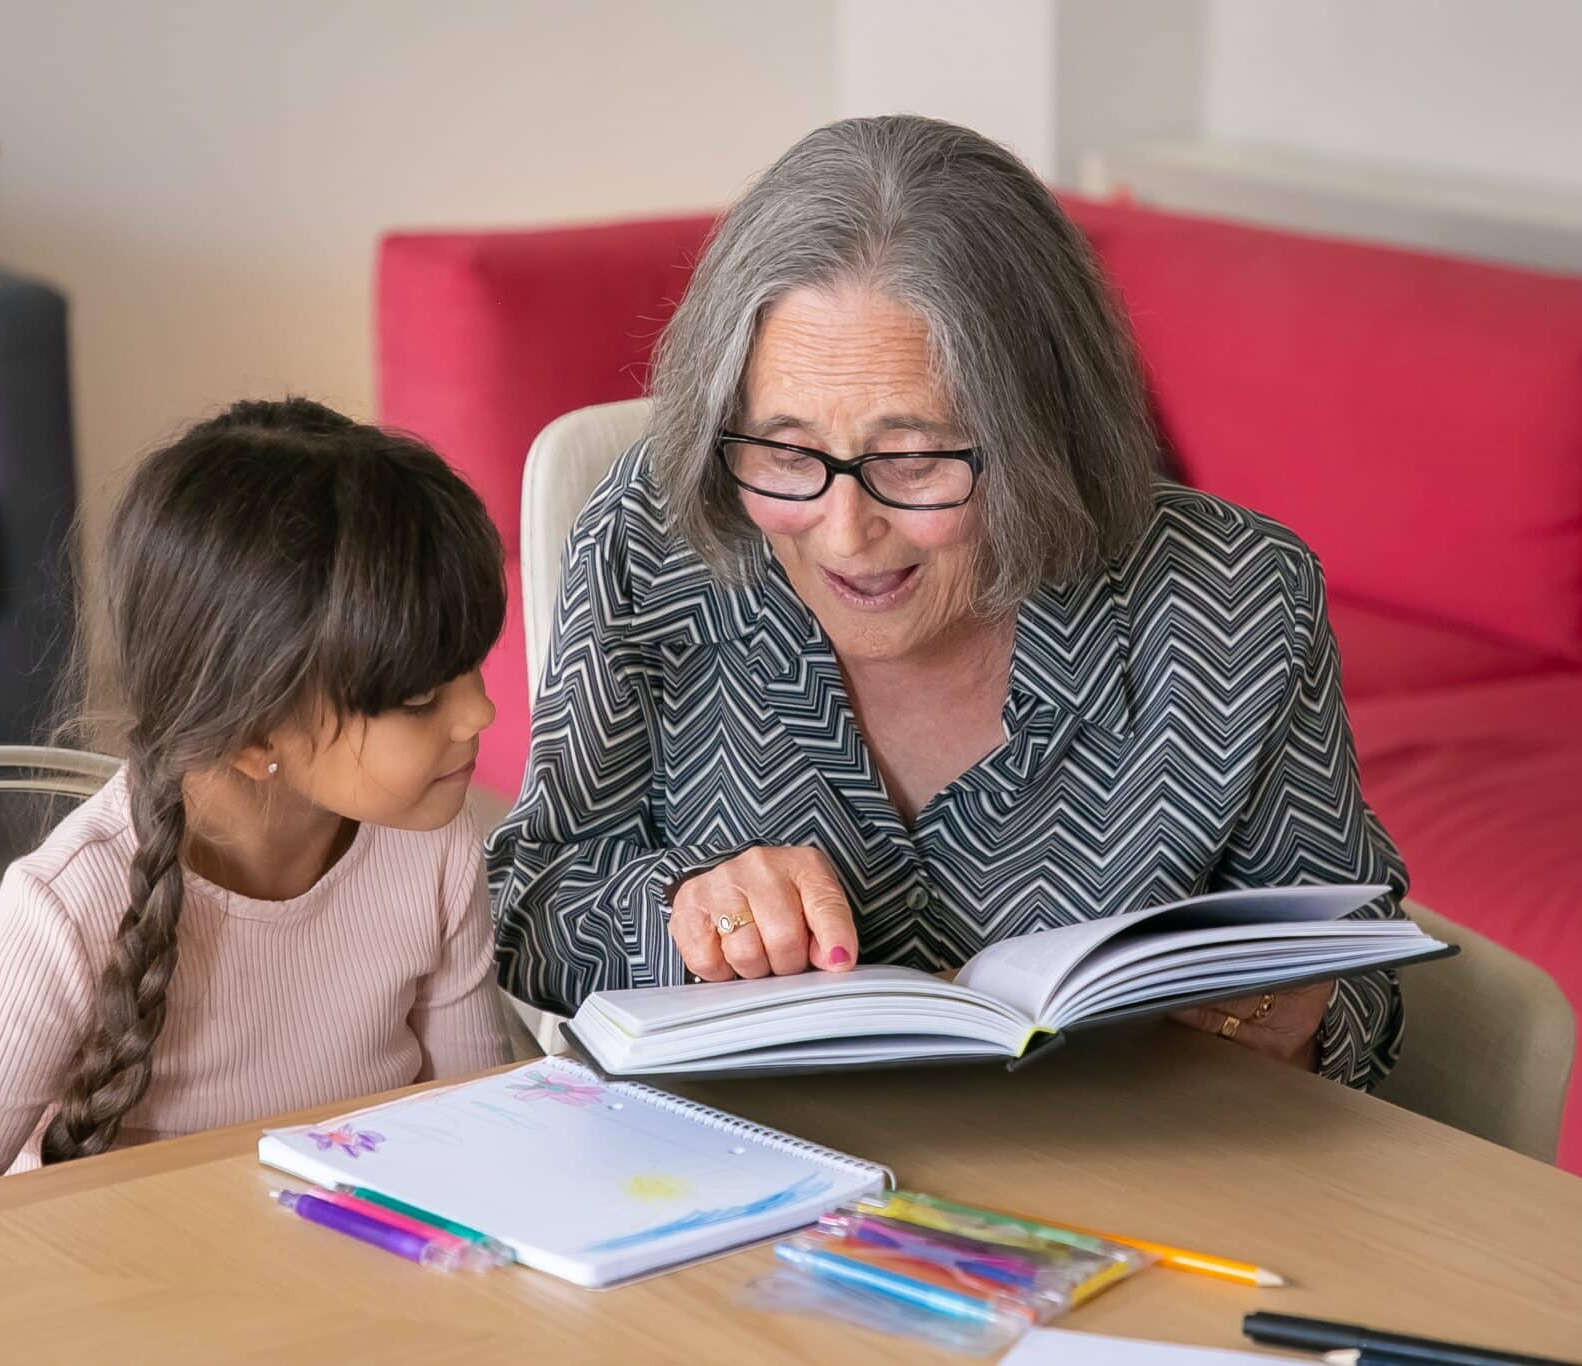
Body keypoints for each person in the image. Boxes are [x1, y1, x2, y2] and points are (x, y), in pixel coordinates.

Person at [490, 116, 1410, 1088]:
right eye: (786, 453)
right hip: (734, 1176)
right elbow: (528, 899)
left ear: (1038, 436)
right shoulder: (659, 534)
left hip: (1123, 1188)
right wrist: (677, 905)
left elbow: (1357, 964)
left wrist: (1286, 1013)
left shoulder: (1233, 600)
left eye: (915, 460)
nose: (843, 532)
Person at [0, 398, 515, 1206]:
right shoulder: (73, 904)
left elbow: (485, 1128)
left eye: (471, 664)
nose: (478, 714)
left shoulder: (432, 842)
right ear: (252, 732)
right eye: (417, 697)